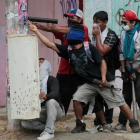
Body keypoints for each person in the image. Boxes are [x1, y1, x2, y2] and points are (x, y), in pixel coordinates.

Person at [28, 23, 139, 134]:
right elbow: (50, 45)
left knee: (120, 102)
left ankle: (133, 123)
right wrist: (36, 31)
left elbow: (102, 62)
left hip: (104, 81)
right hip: (90, 83)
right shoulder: (68, 50)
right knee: (77, 98)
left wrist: (104, 78)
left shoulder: (89, 47)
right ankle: (80, 124)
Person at [33, 8, 89, 114]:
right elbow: (53, 31)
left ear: (80, 19)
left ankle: (85, 122)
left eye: (72, 17)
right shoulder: (64, 30)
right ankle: (57, 117)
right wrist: (40, 27)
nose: (69, 19)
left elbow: (66, 30)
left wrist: (54, 27)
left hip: (79, 71)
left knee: (82, 99)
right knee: (61, 98)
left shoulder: (82, 28)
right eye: (68, 17)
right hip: (64, 70)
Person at [87, 11, 119, 133]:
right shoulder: (95, 34)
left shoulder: (111, 35)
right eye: (94, 21)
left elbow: (101, 52)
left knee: (108, 96)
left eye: (98, 22)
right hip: (96, 68)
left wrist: (98, 36)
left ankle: (108, 121)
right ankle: (98, 122)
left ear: (105, 22)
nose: (95, 24)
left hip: (109, 68)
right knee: (97, 96)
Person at [21, 58, 64, 140]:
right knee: (24, 123)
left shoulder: (52, 80)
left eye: (41, 62)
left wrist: (46, 96)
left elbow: (55, 93)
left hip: (56, 111)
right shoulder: (32, 82)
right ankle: (47, 127)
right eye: (37, 62)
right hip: (41, 111)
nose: (38, 63)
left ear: (46, 66)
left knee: (50, 102)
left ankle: (49, 132)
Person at [112, 10, 140, 132]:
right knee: (126, 96)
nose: (124, 25)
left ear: (133, 22)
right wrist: (123, 69)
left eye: (126, 22)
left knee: (139, 96)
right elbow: (122, 51)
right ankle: (122, 124)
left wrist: (138, 71)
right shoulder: (124, 32)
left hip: (139, 66)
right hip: (128, 66)